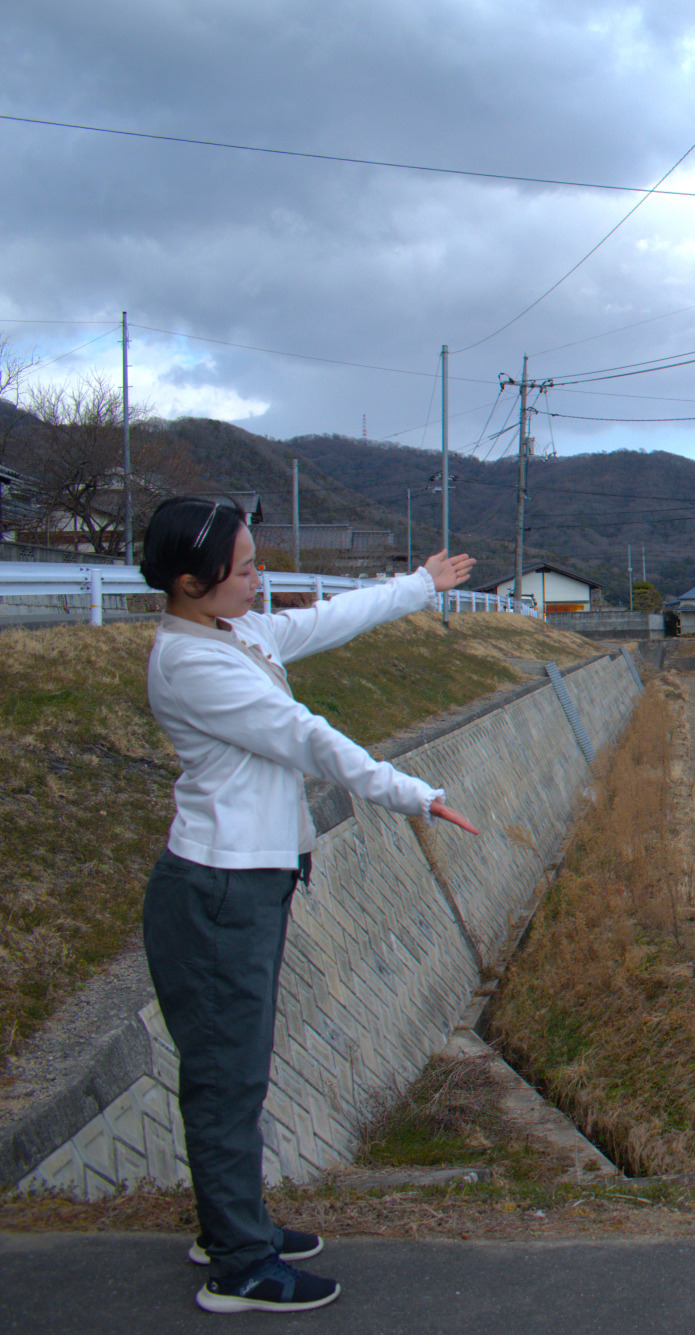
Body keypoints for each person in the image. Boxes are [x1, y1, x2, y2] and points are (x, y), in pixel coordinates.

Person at [138, 497, 480, 1314]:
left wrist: (417, 587)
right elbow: (308, 736)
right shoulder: (195, 664)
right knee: (227, 1077)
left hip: (243, 881)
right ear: (190, 583)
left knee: (234, 1070)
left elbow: (325, 621)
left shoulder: (233, 632)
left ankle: (234, 1221)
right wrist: (414, 793)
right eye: (246, 568)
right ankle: (239, 1265)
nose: (262, 578)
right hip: (220, 889)